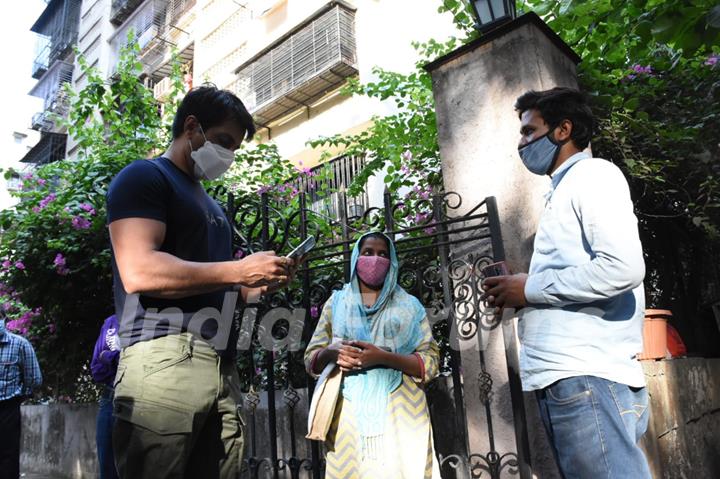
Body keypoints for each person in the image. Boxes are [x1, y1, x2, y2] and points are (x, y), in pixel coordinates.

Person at [107, 85, 296, 478]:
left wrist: (258, 281)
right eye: (224, 141)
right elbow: (138, 270)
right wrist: (237, 270)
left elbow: (226, 284)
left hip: (221, 362)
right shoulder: (145, 176)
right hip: (163, 355)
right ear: (191, 126)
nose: (227, 156)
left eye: (234, 149)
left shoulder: (212, 206)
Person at [482, 87, 651, 478]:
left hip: (586, 375)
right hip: (574, 377)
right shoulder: (563, 189)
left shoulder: (593, 176)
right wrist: (522, 288)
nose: (521, 143)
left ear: (563, 130)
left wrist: (529, 288)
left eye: (529, 131)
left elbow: (622, 268)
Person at [304, 231, 440, 478]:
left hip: (403, 418)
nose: (375, 260)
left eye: (383, 254)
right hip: (346, 419)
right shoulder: (336, 304)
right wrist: (331, 353)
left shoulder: (409, 306)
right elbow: (311, 358)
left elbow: (430, 363)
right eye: (367, 253)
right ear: (356, 257)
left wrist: (383, 358)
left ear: (392, 262)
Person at [0, 316, 42, 479]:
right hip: (10, 405)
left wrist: (16, 397)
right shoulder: (21, 344)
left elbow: (34, 380)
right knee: (8, 456)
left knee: (8, 457)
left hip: (8, 409)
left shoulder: (20, 344)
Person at [90, 314, 120, 479]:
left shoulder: (156, 317)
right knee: (107, 464)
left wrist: (110, 357)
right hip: (111, 395)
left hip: (145, 397)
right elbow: (97, 369)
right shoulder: (112, 322)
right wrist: (116, 358)